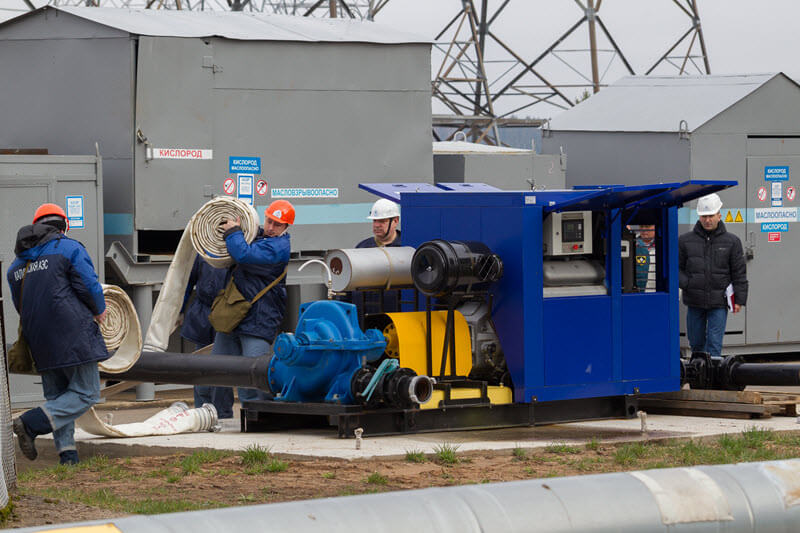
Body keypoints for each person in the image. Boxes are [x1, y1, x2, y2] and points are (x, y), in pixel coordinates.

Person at [7, 203, 109, 465]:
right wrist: (100, 310)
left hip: (39, 339)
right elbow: (88, 285)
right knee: (87, 393)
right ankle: (30, 423)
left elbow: (21, 305)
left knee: (57, 397)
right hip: (73, 334)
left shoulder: (16, 266)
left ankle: (68, 456)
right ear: (63, 226)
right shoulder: (69, 248)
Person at [214, 200, 293, 403]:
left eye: (277, 224)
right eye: (269, 221)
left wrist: (232, 232)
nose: (271, 227)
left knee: (255, 378)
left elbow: (243, 253)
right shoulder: (259, 236)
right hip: (237, 316)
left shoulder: (278, 247)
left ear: (286, 227)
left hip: (258, 320)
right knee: (217, 371)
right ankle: (220, 417)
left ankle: (263, 422)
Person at [678, 193, 748, 358]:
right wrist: (688, 284)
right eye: (704, 216)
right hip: (694, 301)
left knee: (714, 344)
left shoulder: (732, 242)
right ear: (699, 216)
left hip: (719, 302)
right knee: (696, 344)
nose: (707, 220)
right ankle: (698, 377)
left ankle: (713, 381)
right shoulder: (684, 241)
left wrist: (739, 299)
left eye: (710, 216)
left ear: (719, 215)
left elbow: (739, 272)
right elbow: (676, 268)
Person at [179, 255, 231, 418]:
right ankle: (200, 413)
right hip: (203, 315)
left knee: (222, 369)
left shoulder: (237, 250)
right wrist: (179, 309)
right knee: (200, 369)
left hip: (227, 314)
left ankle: (222, 414)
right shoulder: (202, 253)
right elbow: (188, 282)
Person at [353, 198, 403, 322]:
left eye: (382, 221)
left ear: (395, 221)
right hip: (365, 317)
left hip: (396, 318)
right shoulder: (362, 248)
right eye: (374, 221)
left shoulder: (406, 249)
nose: (376, 225)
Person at [635, 225, 656, 292]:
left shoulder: (665, 245)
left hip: (657, 293)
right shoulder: (631, 244)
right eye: (641, 226)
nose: (643, 229)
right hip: (635, 292)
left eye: (647, 226)